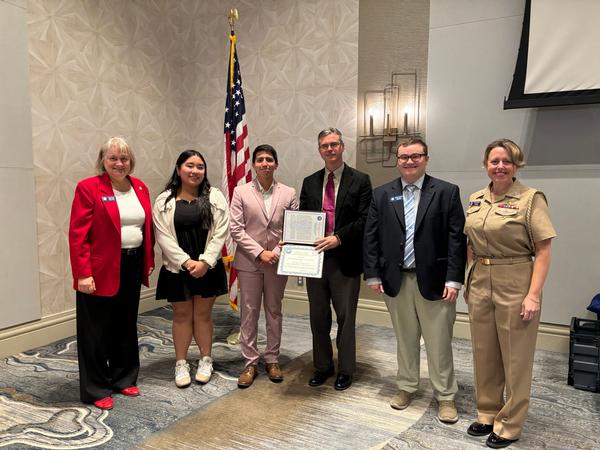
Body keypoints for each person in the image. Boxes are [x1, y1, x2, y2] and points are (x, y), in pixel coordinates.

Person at [363, 138, 467, 423]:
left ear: (426, 159)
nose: (409, 161)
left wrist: (454, 280)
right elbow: (371, 238)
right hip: (396, 281)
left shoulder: (446, 192)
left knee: (439, 342)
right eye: (404, 157)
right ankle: (407, 386)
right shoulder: (382, 194)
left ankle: (445, 396)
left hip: (435, 282)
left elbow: (456, 240)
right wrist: (372, 273)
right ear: (397, 160)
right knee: (405, 340)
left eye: (415, 156)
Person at [464, 139, 556, 448]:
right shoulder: (476, 198)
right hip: (480, 281)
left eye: (506, 161)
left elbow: (543, 251)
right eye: (494, 161)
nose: (500, 166)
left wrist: (533, 295)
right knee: (484, 352)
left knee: (516, 357)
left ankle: (510, 424)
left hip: (516, 280)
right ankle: (487, 411)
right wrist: (468, 280)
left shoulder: (531, 199)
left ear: (516, 165)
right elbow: (470, 245)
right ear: (485, 165)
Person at [69, 137, 155, 410]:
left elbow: (146, 228)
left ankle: (123, 377)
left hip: (131, 265)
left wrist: (148, 260)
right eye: (113, 158)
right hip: (98, 269)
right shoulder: (89, 188)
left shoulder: (139, 186)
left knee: (125, 324)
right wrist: (83, 273)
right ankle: (95, 388)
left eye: (125, 158)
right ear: (102, 161)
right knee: (95, 330)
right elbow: (77, 234)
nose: (119, 163)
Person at [300, 127, 372, 391]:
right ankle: (322, 366)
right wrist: (294, 242)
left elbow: (365, 219)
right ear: (319, 150)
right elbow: (304, 220)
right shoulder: (310, 182)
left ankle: (346, 369)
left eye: (334, 144)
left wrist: (338, 237)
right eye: (324, 146)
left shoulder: (360, 180)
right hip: (315, 260)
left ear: (342, 147)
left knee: (345, 318)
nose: (330, 149)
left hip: (345, 259)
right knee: (318, 317)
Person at [153, 150, 229, 388]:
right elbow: (163, 236)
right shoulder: (164, 200)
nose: (195, 171)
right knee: (182, 315)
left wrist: (205, 261)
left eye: (200, 167)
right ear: (178, 169)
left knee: (203, 316)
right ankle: (181, 362)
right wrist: (186, 262)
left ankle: (206, 359)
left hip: (208, 266)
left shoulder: (214, 196)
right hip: (178, 268)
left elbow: (221, 231)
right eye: (189, 165)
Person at [229, 144, 299, 388]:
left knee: (274, 311)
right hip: (250, 262)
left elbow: (294, 227)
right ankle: (249, 362)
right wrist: (260, 252)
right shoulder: (241, 192)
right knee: (248, 313)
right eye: (260, 159)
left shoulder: (288, 192)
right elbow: (236, 229)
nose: (265, 163)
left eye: (269, 159)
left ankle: (272, 359)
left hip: (278, 262)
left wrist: (275, 252)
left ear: (276, 164)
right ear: (253, 164)